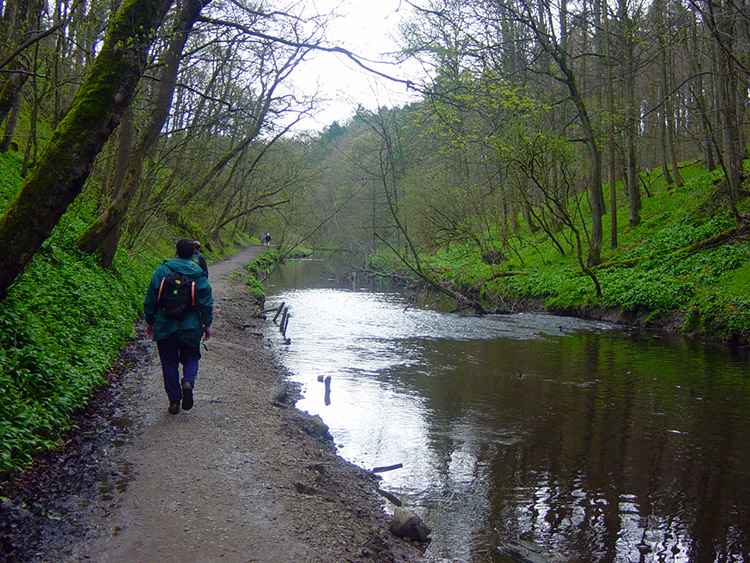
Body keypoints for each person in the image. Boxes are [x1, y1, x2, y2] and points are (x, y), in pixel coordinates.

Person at [144, 238, 213, 415]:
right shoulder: (198, 274)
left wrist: (150, 321)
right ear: (193, 254)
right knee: (191, 356)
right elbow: (206, 302)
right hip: (190, 327)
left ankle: (174, 401)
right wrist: (207, 324)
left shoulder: (162, 271)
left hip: (165, 325)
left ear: (176, 251)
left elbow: (151, 297)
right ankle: (188, 382)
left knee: (169, 362)